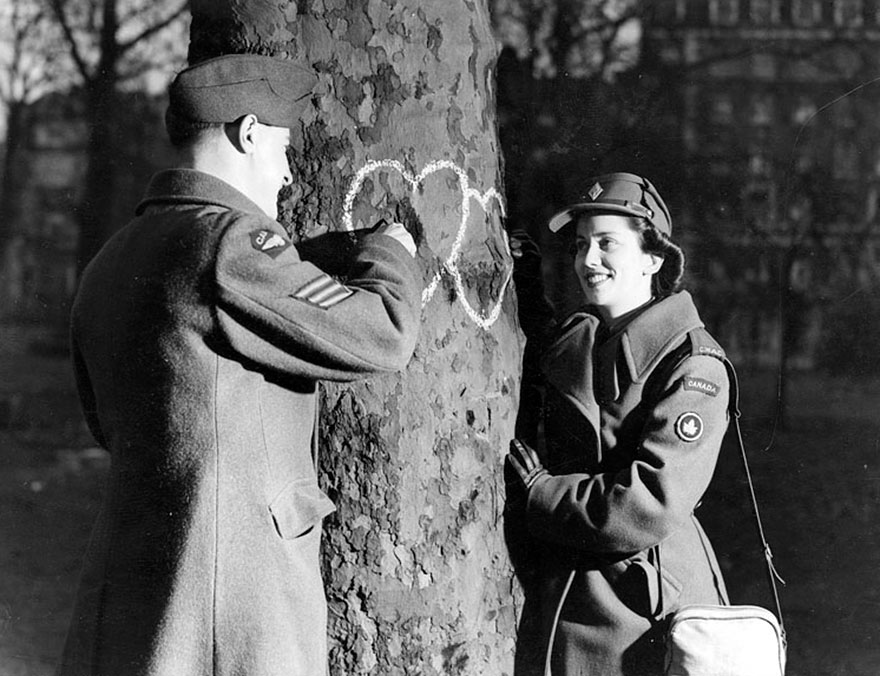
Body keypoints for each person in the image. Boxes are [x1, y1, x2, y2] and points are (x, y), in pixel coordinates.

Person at [58, 54, 422, 676]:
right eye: (282, 150)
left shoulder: (111, 258)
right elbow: (382, 334)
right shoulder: (230, 242)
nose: (285, 175)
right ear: (248, 132)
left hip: (136, 584)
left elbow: (102, 420)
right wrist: (390, 253)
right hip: (230, 601)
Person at [506, 173, 730, 676]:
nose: (588, 260)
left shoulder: (694, 365)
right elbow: (555, 354)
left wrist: (542, 493)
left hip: (645, 608)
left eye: (608, 244)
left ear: (654, 259)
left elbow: (649, 503)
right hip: (576, 596)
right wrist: (521, 277)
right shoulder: (586, 333)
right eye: (582, 244)